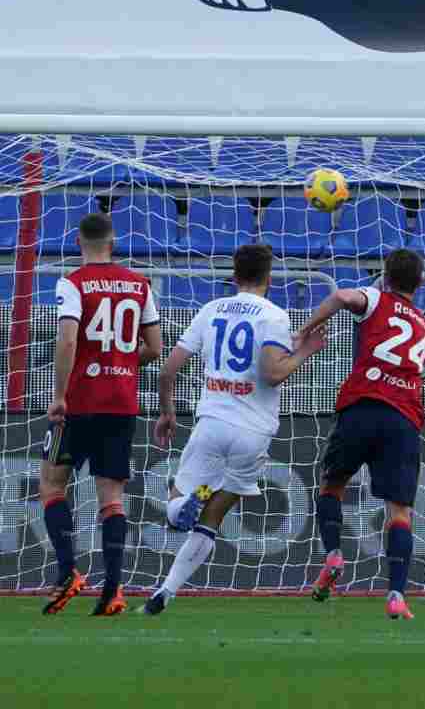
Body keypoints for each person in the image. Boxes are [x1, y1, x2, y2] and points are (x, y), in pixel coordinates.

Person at [142, 244, 327, 615]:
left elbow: (166, 370)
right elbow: (272, 374)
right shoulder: (274, 316)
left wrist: (166, 413)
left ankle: (183, 509)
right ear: (269, 279)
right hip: (253, 433)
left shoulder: (211, 311)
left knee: (178, 503)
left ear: (234, 275)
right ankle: (166, 591)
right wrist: (306, 351)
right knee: (212, 519)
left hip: (212, 422)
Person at [40, 212, 164, 616]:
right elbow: (155, 348)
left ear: (79, 242)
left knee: (52, 485)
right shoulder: (139, 284)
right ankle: (113, 591)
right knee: (111, 497)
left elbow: (68, 338)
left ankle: (67, 573)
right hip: (121, 402)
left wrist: (59, 395)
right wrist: (123, 365)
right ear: (114, 242)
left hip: (79, 401)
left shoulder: (73, 283)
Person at [299, 248, 425, 620]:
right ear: (420, 283)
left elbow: (342, 296)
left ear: (385, 277)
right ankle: (396, 594)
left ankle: (334, 555)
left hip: (363, 405)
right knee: (400, 511)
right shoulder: (424, 324)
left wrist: (305, 329)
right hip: (403, 416)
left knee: (332, 484)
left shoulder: (376, 298)